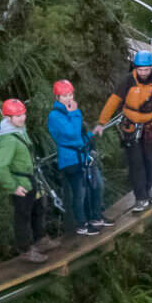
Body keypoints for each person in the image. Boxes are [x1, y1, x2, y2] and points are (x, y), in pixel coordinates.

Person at [100, 49, 152, 208]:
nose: (143, 73)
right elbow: (114, 101)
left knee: (149, 160)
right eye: (140, 69)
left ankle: (148, 190)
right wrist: (102, 122)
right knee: (136, 162)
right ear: (135, 68)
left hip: (150, 127)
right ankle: (140, 197)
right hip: (130, 127)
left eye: (146, 69)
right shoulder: (128, 81)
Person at [0, 98, 48, 264]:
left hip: (30, 179)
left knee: (38, 208)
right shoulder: (8, 139)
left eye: (23, 114)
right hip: (21, 183)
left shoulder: (19, 130)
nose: (22, 118)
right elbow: (0, 167)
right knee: (23, 216)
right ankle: (25, 249)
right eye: (17, 116)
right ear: (8, 118)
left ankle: (40, 239)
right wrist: (13, 186)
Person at [48, 80, 104, 235]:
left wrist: (92, 134)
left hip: (81, 156)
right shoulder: (55, 115)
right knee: (79, 193)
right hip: (70, 160)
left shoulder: (68, 112)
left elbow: (78, 137)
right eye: (64, 96)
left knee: (95, 186)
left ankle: (95, 217)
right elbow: (71, 133)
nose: (68, 98)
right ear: (57, 97)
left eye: (70, 95)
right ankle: (82, 224)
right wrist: (75, 113)